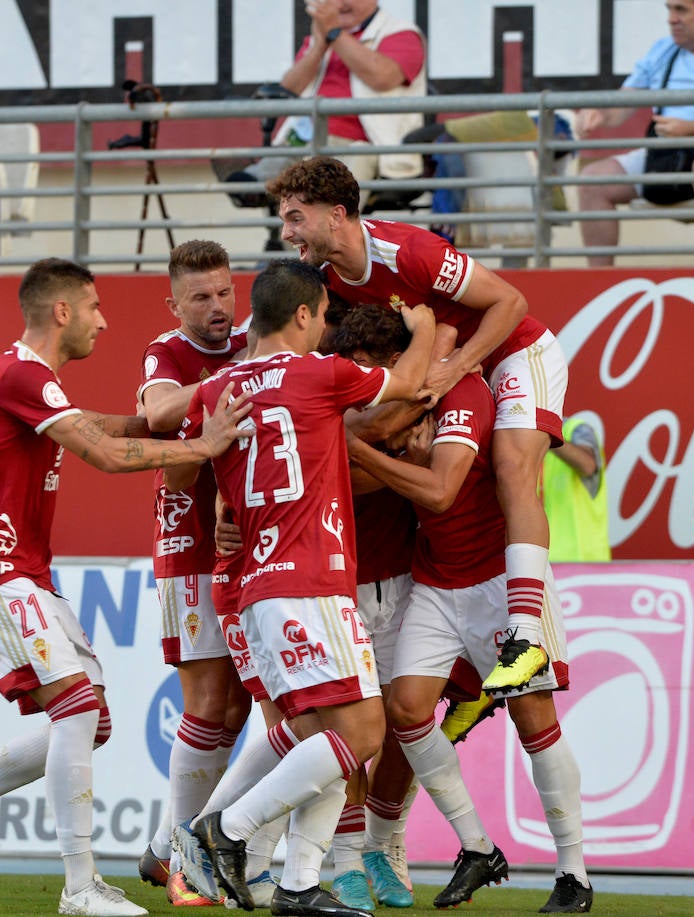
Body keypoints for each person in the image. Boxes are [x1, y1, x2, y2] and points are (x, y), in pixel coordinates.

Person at [0, 258, 251, 917]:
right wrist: (203, 447)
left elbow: (103, 427)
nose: (103, 318)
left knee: (91, 720)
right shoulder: (18, 373)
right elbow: (105, 454)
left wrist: (154, 422)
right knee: (75, 709)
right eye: (93, 306)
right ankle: (81, 886)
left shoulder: (33, 383)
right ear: (61, 311)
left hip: (23, 572)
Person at [168, 260, 436, 917]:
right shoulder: (319, 372)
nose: (324, 330)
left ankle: (297, 884)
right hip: (309, 577)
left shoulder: (215, 390)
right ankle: (222, 830)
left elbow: (180, 477)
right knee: (364, 731)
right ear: (303, 315)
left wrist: (226, 505)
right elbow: (405, 384)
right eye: (322, 318)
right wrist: (425, 328)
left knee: (314, 733)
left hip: (255, 583)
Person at [267, 156, 567, 701]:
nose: (285, 232)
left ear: (336, 215)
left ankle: (525, 638)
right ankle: (472, 681)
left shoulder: (408, 251)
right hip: (446, 366)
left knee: (511, 469)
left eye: (294, 217)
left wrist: (455, 362)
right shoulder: (329, 282)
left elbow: (510, 301)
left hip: (514, 351)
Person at [340, 306, 594, 915]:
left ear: (394, 361)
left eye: (371, 372)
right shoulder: (403, 401)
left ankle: (574, 873)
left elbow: (439, 489)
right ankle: (477, 847)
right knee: (405, 710)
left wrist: (358, 446)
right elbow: (370, 476)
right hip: (434, 577)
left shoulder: (463, 392)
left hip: (497, 580)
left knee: (535, 722)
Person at [134, 240, 253, 907]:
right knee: (208, 704)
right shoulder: (167, 353)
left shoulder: (249, 341)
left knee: (236, 709)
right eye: (200, 297)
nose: (216, 307)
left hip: (249, 544)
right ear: (174, 303)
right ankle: (184, 859)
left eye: (223, 292)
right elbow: (157, 419)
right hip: (191, 547)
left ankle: (163, 847)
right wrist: (225, 389)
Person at [575, 0, 694, 266]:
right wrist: (597, 115)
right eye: (669, 10)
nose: (671, 19)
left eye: (681, 10)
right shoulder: (662, 50)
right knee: (592, 180)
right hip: (670, 150)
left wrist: (691, 130)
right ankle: (599, 283)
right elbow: (620, 106)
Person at [224, 0, 425, 197]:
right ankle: (257, 185)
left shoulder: (400, 33)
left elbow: (382, 78)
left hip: (364, 142)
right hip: (307, 135)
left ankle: (324, 218)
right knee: (284, 158)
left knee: (340, 178)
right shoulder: (322, 35)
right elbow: (289, 89)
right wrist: (319, 45)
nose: (340, 4)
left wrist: (335, 34)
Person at [541, 414, 611, 564]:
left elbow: (587, 465)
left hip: (583, 566)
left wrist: (547, 434)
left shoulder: (576, 430)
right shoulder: (521, 444)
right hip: (538, 565)